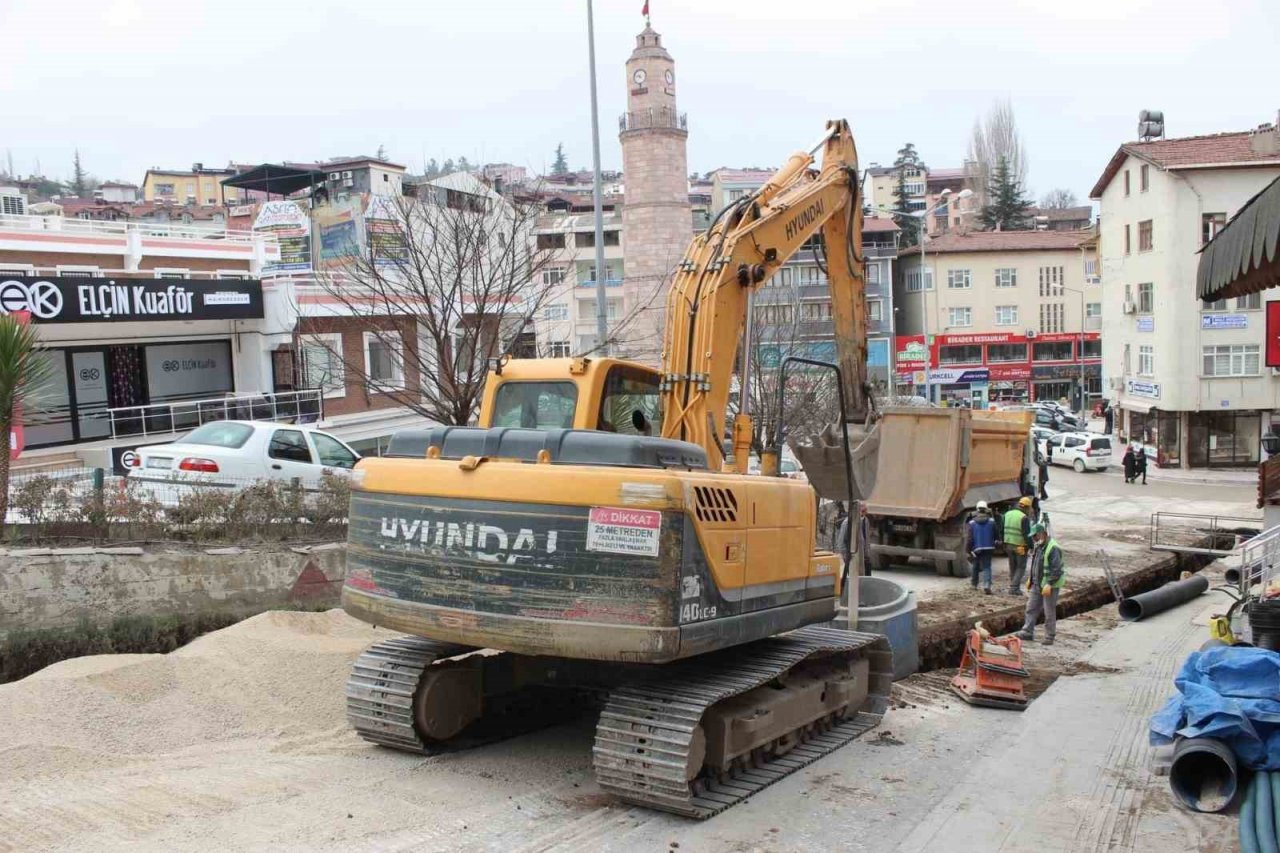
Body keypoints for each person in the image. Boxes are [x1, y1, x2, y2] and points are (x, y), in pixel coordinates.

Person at [1016, 523, 1066, 645]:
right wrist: (1031, 579)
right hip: (1037, 584)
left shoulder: (1053, 548)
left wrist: (1049, 583)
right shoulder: (1039, 546)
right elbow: (1036, 564)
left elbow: (1057, 569)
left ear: (1042, 534)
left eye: (1035, 536)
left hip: (1050, 586)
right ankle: (1027, 631)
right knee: (1031, 608)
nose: (1033, 539)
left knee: (1049, 611)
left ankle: (1049, 636)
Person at [1000, 496, 1033, 596]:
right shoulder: (1023, 518)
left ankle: (1013, 585)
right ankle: (1014, 588)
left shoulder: (1007, 514)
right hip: (1020, 546)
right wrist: (1031, 546)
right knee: (1021, 567)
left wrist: (1003, 543)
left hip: (1008, 545)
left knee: (1012, 566)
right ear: (1026, 507)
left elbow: (1001, 530)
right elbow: (1026, 534)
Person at [965, 500, 997, 594]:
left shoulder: (972, 523)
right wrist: (996, 543)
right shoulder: (991, 521)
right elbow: (996, 534)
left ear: (977, 509)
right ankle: (987, 585)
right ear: (986, 509)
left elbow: (970, 538)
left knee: (975, 566)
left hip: (977, 548)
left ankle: (974, 585)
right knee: (987, 566)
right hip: (989, 547)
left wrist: (968, 549)